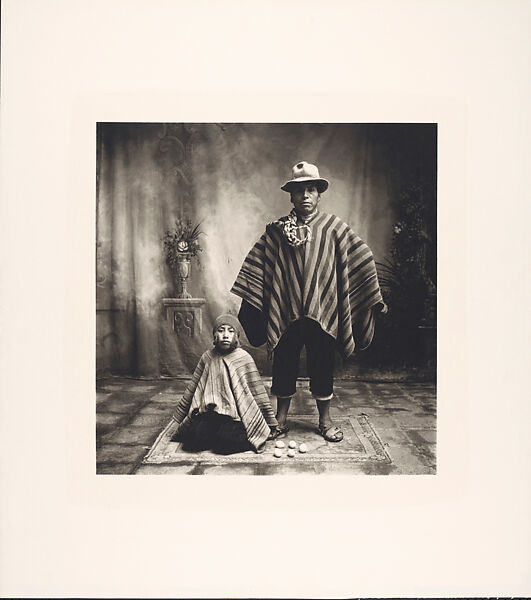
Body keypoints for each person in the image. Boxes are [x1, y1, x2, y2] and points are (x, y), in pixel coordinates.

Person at [231, 161, 387, 443]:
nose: (305, 196)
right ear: (290, 196)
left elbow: (361, 257)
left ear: (319, 195)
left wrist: (371, 295)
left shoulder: (334, 229)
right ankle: (280, 419)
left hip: (322, 312)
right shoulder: (277, 232)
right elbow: (257, 265)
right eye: (299, 191)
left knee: (322, 363)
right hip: (287, 310)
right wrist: (252, 294)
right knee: (284, 361)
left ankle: (325, 421)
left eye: (311, 190)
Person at [170, 314, 278, 454]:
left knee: (227, 444)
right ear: (214, 335)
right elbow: (194, 388)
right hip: (210, 413)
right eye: (221, 330)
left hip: (234, 416)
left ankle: (220, 437)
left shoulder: (243, 358)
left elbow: (256, 391)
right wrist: (181, 416)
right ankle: (213, 436)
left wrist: (268, 421)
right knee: (192, 443)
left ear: (236, 336)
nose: (225, 335)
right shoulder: (208, 357)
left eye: (230, 331)